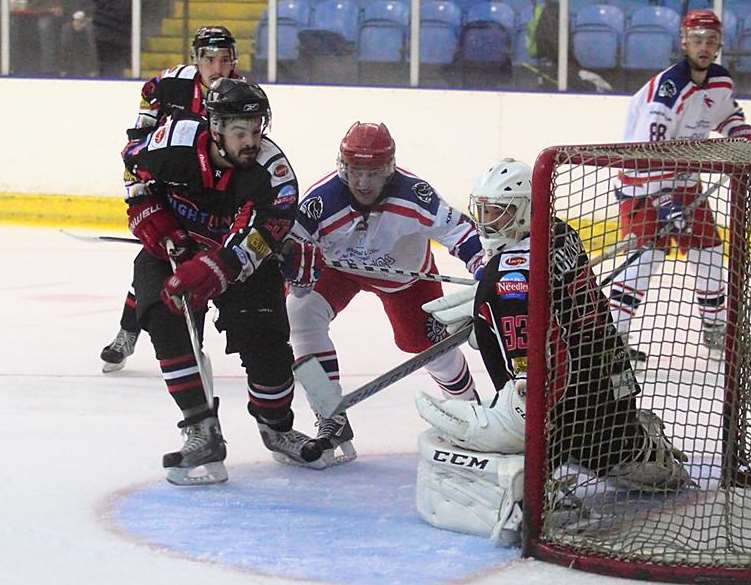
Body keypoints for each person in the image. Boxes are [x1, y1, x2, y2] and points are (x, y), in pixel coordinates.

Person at [414, 158, 691, 543]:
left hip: (559, 411)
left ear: (526, 210)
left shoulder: (506, 273)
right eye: (485, 212)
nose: (488, 223)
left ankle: (539, 488)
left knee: (494, 331)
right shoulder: (561, 233)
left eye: (499, 214)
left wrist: (487, 310)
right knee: (609, 442)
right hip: (610, 392)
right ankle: (636, 450)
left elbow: (526, 343)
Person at [122, 78, 322, 486]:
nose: (251, 141)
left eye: (256, 129)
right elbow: (132, 167)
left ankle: (277, 426)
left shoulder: (274, 171)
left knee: (264, 338)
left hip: (237, 261)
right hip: (173, 249)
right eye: (239, 132)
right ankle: (201, 429)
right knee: (162, 317)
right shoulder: (170, 141)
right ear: (215, 128)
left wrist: (215, 267)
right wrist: (151, 218)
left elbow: (265, 234)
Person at [285, 121, 485, 467]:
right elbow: (289, 245)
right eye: (355, 171)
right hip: (339, 271)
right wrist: (289, 271)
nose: (363, 183)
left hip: (405, 281)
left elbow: (462, 232)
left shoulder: (415, 194)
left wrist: (485, 269)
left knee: (427, 346)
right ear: (342, 167)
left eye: (373, 173)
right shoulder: (321, 201)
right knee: (299, 311)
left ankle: (471, 412)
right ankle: (331, 416)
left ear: (389, 169)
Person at [608, 10, 751, 361]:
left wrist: (742, 134)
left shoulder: (721, 81)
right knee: (644, 262)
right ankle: (613, 341)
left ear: (719, 44)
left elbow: (727, 116)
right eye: (697, 39)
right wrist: (662, 199)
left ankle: (715, 328)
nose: (704, 46)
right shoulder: (668, 88)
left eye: (710, 40)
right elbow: (648, 149)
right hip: (643, 186)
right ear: (684, 41)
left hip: (687, 184)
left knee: (708, 254)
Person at [100, 26, 240, 373]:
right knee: (156, 257)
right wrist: (142, 198)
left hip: (212, 199)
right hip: (167, 189)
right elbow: (135, 147)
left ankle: (189, 345)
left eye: (225, 60)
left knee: (195, 272)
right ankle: (128, 332)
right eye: (210, 60)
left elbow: (246, 158)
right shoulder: (166, 87)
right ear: (196, 61)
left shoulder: (244, 96)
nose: (218, 69)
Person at [59, 10, 98, 78]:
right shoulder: (67, 29)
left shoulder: (88, 31)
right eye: (76, 21)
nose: (78, 24)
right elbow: (64, 50)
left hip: (85, 61)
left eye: (80, 22)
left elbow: (92, 51)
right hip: (71, 61)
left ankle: (91, 69)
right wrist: (63, 69)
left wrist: (93, 69)